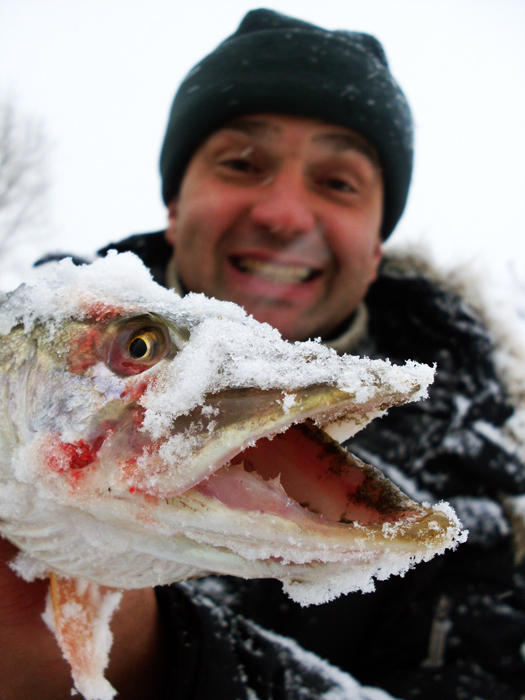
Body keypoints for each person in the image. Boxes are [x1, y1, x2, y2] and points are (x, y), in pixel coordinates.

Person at [15, 7, 525, 699]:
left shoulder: (481, 482)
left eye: (338, 182)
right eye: (242, 163)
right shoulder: (36, 331)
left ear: (375, 248)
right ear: (175, 202)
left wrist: (152, 658)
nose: (284, 214)